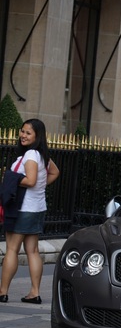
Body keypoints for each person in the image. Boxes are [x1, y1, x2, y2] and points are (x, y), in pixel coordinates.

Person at [0, 119, 60, 304]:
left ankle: (2, 291)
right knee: (32, 251)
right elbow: (55, 172)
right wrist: (41, 185)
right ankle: (34, 293)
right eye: (22, 131)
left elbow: (31, 180)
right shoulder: (42, 156)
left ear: (37, 136)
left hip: (23, 209)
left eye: (28, 133)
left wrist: (11, 179)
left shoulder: (31, 155)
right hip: (37, 208)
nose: (23, 135)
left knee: (11, 249)